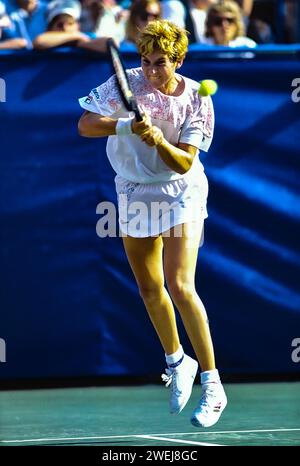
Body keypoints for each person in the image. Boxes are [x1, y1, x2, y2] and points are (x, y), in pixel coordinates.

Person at [78, 19, 227, 428]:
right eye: (145, 61)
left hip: (180, 191)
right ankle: (178, 361)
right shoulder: (125, 81)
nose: (151, 70)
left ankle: (213, 385)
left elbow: (184, 161)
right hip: (133, 189)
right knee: (148, 287)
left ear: (178, 60)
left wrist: (158, 139)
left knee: (179, 285)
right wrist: (126, 125)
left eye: (160, 62)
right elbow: (85, 124)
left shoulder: (198, 97)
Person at [33, 1, 109, 52]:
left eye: (70, 23)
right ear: (49, 28)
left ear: (78, 26)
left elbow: (109, 44)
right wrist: (74, 36)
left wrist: (79, 43)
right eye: (60, 24)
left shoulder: (85, 37)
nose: (65, 28)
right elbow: (39, 42)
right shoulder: (79, 37)